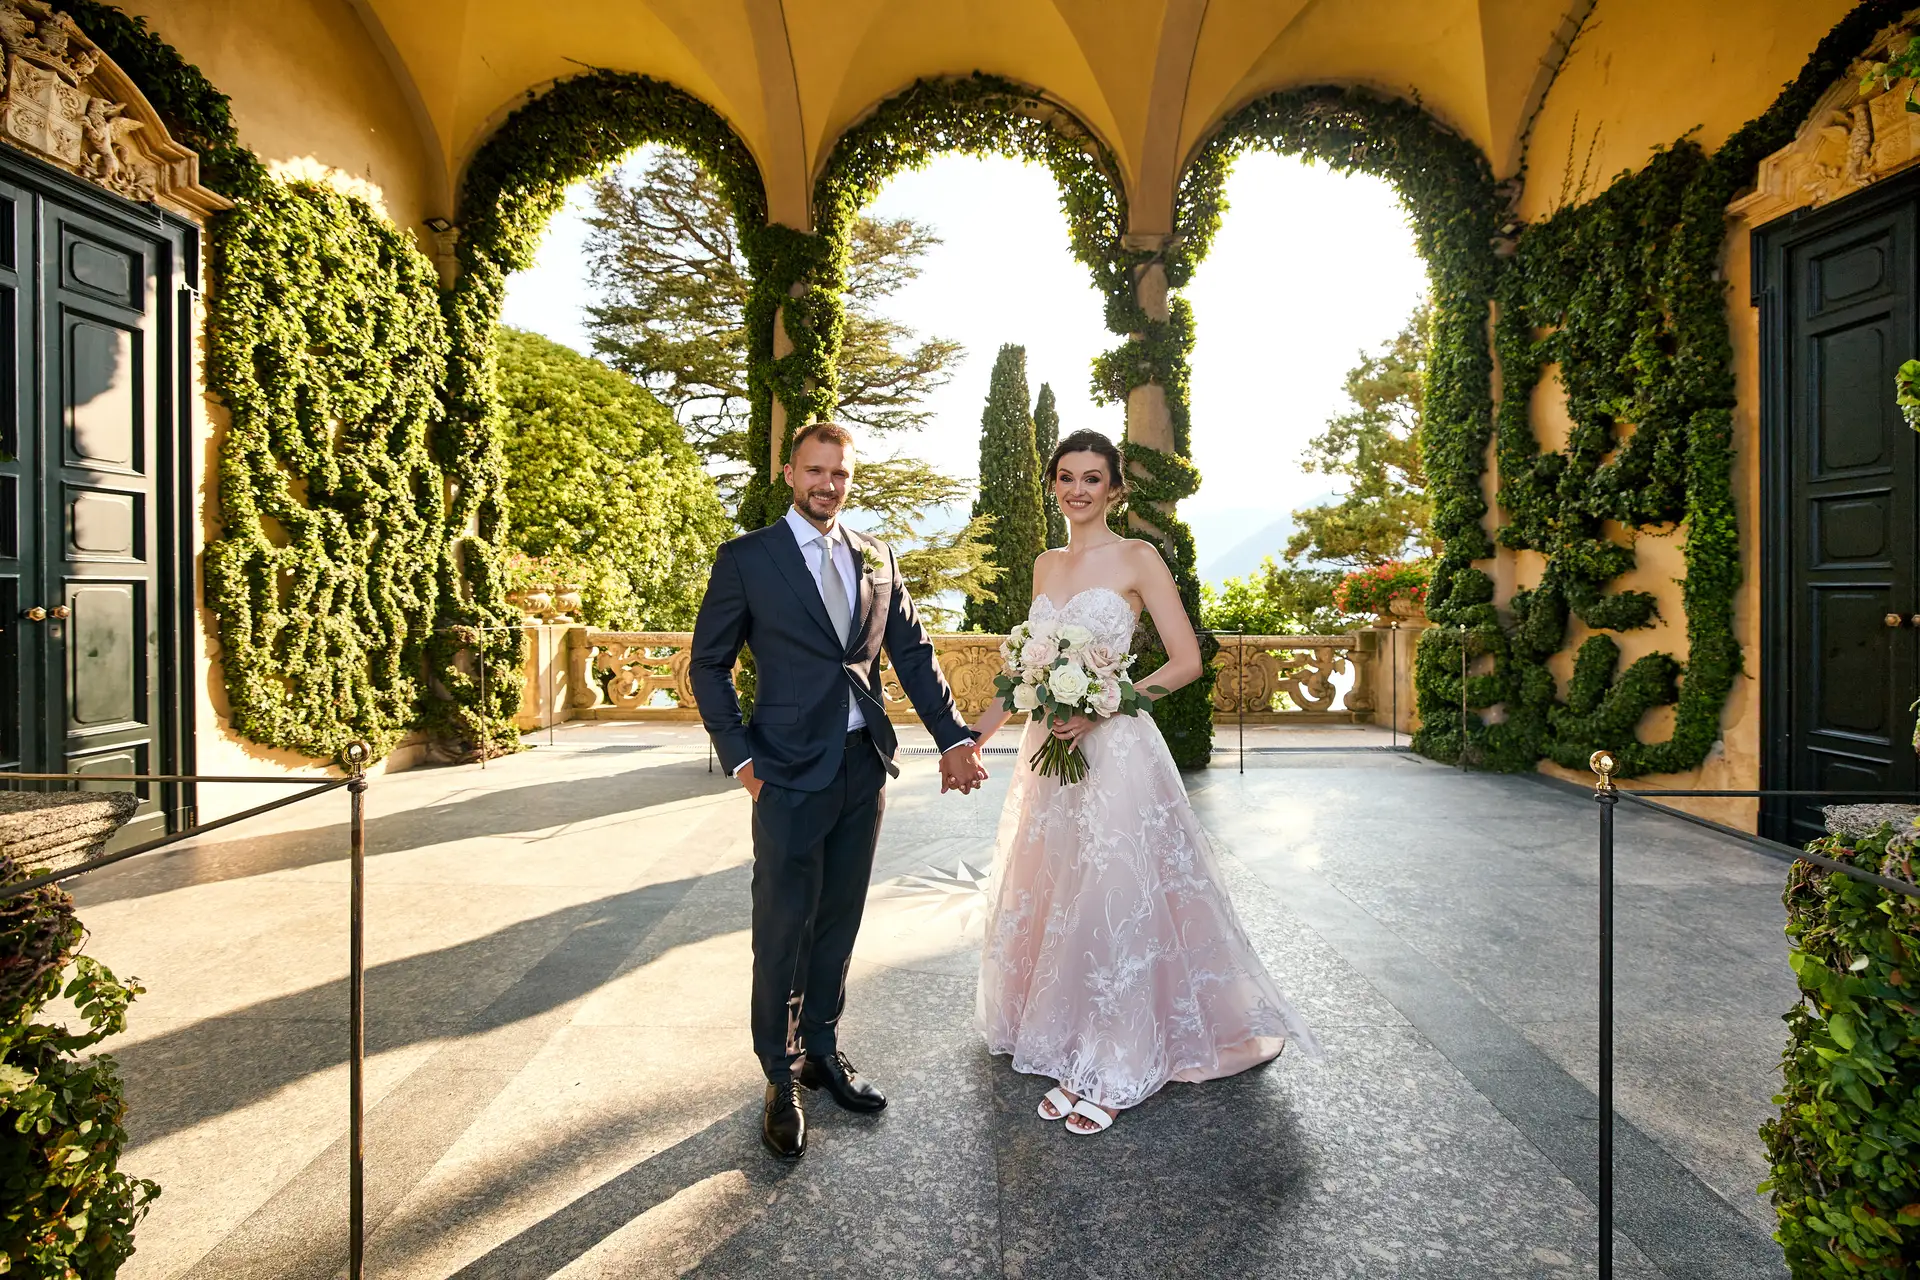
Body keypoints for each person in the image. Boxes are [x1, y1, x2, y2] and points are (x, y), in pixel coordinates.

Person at [968, 428, 1318, 1134]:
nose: (1078, 490)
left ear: (1114, 488)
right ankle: (1069, 1042)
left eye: (1092, 478)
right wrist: (971, 739)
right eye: (1066, 477)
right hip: (1049, 755)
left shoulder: (1137, 557)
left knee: (1112, 894)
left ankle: (1116, 1058)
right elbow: (1025, 668)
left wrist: (1106, 704)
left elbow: (1186, 661)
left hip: (1115, 751)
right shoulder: (1044, 564)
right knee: (1062, 893)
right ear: (1053, 484)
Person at [689, 421, 990, 1160]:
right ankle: (779, 1074)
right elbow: (708, 665)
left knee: (839, 919)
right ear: (790, 474)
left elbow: (913, 653)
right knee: (783, 927)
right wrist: (741, 760)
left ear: (851, 479)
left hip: (863, 766)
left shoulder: (876, 555)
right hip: (785, 772)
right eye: (815, 470)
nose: (828, 484)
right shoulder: (747, 559)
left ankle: (822, 1050)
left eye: (841, 473)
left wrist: (953, 738)